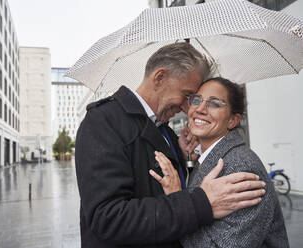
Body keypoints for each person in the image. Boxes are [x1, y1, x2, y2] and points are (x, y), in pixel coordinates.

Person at [75, 42, 266, 248]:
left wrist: (184, 159)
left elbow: (162, 187)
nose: (187, 108)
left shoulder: (162, 128)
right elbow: (108, 218)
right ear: (159, 78)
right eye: (187, 96)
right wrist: (201, 203)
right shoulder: (103, 121)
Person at [152, 77, 289, 247]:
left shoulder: (240, 168)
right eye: (196, 100)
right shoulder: (209, 157)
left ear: (233, 120)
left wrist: (177, 200)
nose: (200, 109)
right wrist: (188, 160)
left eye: (214, 103)